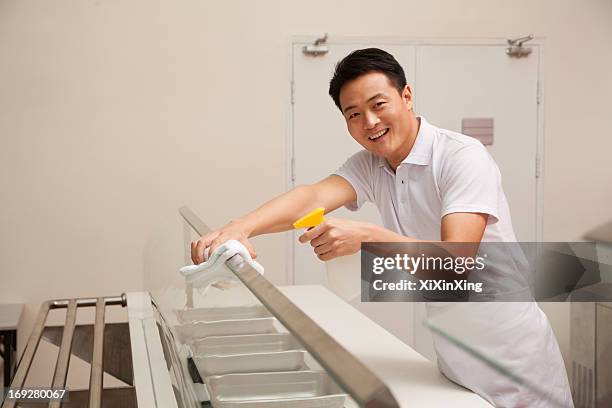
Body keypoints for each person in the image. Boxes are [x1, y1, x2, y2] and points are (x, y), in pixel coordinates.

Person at [191, 48, 573, 407]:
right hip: (456, 360)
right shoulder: (370, 164)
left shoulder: (461, 157)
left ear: (406, 96)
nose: (369, 122)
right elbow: (311, 197)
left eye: (378, 105)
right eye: (353, 113)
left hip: (518, 362)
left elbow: (458, 260)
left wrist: (368, 237)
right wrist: (240, 228)